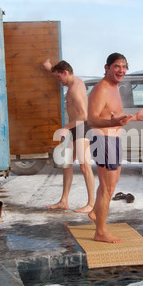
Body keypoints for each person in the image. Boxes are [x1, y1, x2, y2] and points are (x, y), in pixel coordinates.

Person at [87, 53, 143, 243]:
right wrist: (114, 121)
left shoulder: (114, 87)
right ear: (106, 67)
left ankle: (95, 212)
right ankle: (100, 231)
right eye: (117, 66)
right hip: (103, 139)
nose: (121, 70)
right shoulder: (101, 89)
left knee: (112, 182)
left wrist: (135, 117)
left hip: (113, 138)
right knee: (108, 186)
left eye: (124, 66)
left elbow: (115, 115)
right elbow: (92, 119)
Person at [42, 59, 95, 213]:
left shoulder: (74, 90)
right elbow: (61, 71)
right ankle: (64, 201)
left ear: (65, 73)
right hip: (73, 127)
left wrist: (65, 127)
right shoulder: (76, 81)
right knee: (67, 164)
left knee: (85, 166)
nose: (58, 81)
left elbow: (84, 115)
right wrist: (51, 69)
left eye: (58, 77)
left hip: (80, 127)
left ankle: (91, 204)